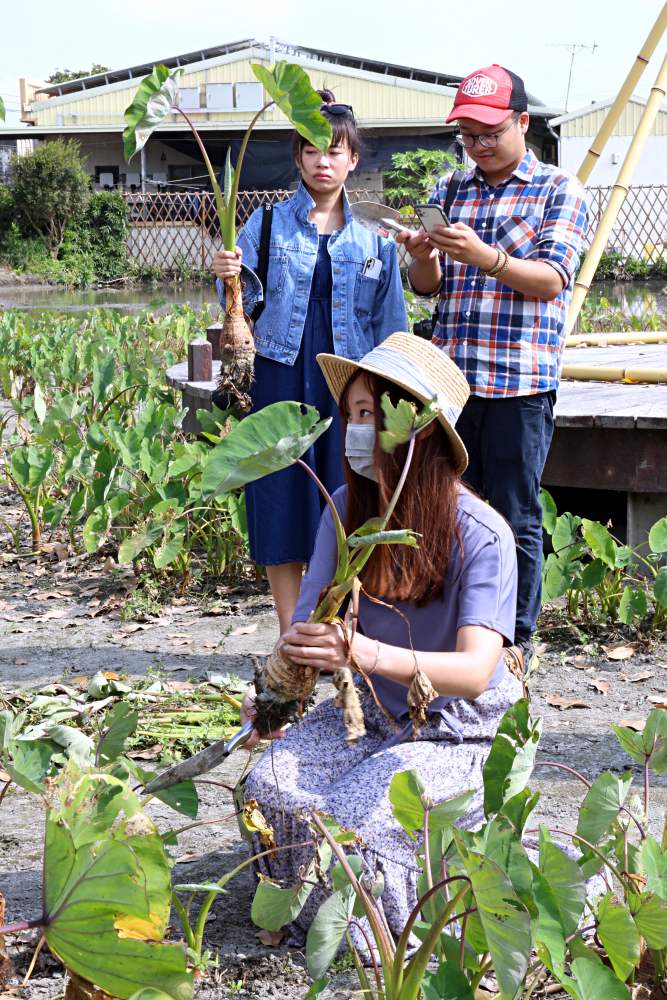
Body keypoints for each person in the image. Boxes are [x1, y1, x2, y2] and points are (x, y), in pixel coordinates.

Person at [240, 331, 522, 950]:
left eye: (373, 415)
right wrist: (272, 696)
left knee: (355, 820)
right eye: (353, 415)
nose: (356, 431)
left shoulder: (484, 534)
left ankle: (377, 916)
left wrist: (361, 653)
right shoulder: (344, 507)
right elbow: (308, 627)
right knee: (268, 785)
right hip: (370, 712)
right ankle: (312, 908)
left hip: (456, 729)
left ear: (420, 432)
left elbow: (477, 670)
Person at [397, 65, 589, 671]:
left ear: (522, 124)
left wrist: (489, 257)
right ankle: (455, 629)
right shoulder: (451, 187)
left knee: (514, 513)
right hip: (450, 382)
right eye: (468, 134)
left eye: (490, 131)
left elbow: (552, 281)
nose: (478, 144)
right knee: (445, 506)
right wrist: (423, 255)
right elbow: (429, 289)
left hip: (518, 382)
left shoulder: (560, 189)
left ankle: (514, 643)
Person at [212, 92, 407, 634]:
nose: (325, 161)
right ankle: (291, 632)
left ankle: (342, 627)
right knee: (280, 496)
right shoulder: (267, 224)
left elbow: (392, 325)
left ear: (353, 161)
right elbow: (240, 303)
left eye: (336, 151)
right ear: (298, 158)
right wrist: (228, 271)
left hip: (351, 383)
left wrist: (395, 399)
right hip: (281, 373)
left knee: (352, 496)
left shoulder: (377, 239)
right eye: (313, 150)